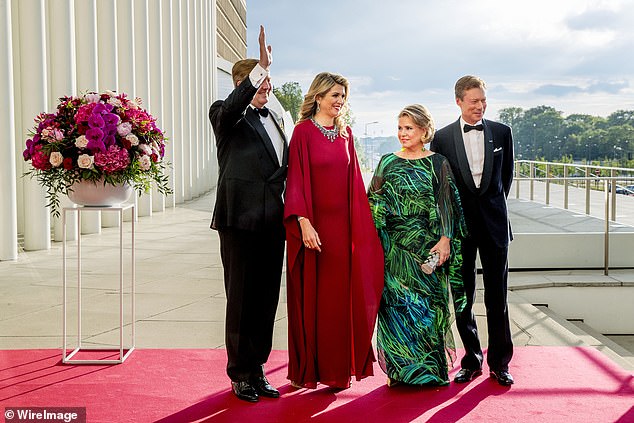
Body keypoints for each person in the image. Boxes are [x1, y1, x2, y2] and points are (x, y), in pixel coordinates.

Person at [283, 72, 384, 390]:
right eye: (334, 96)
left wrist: (362, 231)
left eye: (343, 96)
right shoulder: (302, 133)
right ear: (318, 97)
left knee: (341, 303)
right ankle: (313, 370)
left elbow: (355, 182)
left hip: (343, 232)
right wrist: (303, 221)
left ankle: (340, 371)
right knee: (317, 303)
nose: (340, 101)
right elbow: (295, 179)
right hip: (315, 230)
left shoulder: (346, 133)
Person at [208, 26, 288, 403]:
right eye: (258, 80)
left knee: (266, 298)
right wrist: (260, 67)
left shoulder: (275, 119)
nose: (265, 85)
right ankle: (239, 373)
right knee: (241, 298)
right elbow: (235, 103)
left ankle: (257, 370)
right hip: (238, 220)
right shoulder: (226, 116)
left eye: (267, 80)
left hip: (274, 221)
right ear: (240, 83)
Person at [367, 104, 467, 387]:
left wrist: (446, 239)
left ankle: (429, 372)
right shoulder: (387, 161)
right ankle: (400, 372)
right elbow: (373, 201)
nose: (402, 133)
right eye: (400, 128)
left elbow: (447, 203)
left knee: (427, 309)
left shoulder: (438, 163)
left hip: (428, 246)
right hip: (394, 250)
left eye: (409, 128)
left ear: (425, 130)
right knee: (397, 307)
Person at [430, 75, 515, 386]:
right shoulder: (441, 137)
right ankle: (472, 359)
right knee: (463, 298)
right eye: (474, 101)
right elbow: (441, 189)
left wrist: (491, 209)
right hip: (460, 229)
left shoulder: (502, 133)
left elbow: (506, 178)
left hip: (495, 227)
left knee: (498, 298)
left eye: (483, 101)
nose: (480, 106)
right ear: (459, 102)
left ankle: (500, 363)